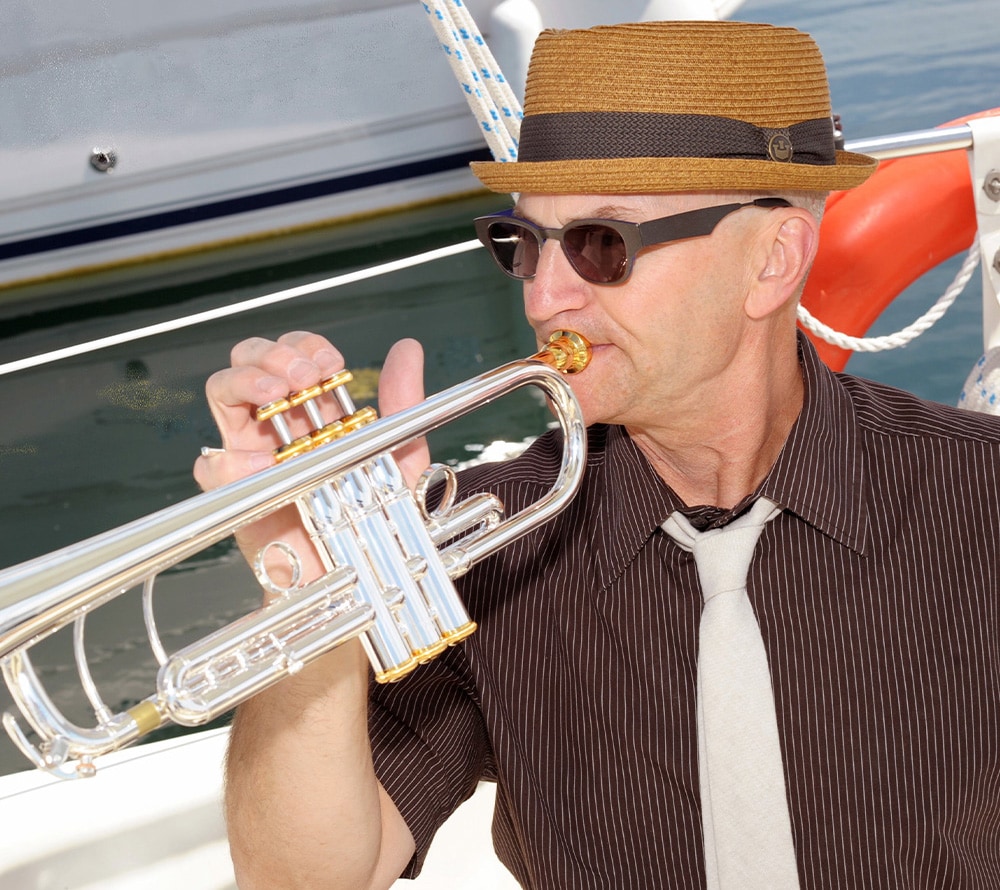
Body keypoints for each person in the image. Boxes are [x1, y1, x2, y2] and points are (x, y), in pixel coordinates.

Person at [196, 20, 1000, 890]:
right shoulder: (485, 543)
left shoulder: (981, 493)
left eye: (602, 244)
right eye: (523, 244)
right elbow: (306, 879)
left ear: (772, 261)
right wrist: (312, 598)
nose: (544, 298)